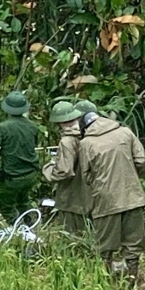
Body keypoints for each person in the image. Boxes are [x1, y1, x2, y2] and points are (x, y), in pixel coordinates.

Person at [80, 108, 145, 289]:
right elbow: (141, 161)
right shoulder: (126, 132)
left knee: (105, 246)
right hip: (132, 195)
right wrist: (131, 178)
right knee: (133, 244)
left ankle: (105, 285)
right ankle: (131, 282)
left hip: (105, 200)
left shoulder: (86, 143)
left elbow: (86, 175)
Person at [0, 91, 41, 222]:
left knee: (4, 201)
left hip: (12, 176)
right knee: (23, 199)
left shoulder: (3, 127)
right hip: (31, 174)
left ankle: (16, 227)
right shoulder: (32, 126)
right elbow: (31, 146)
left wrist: (0, 151)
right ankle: (30, 224)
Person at [41, 101, 90, 237]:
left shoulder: (67, 141)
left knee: (72, 236)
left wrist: (48, 169)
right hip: (91, 193)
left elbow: (64, 171)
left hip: (71, 196)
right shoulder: (89, 134)